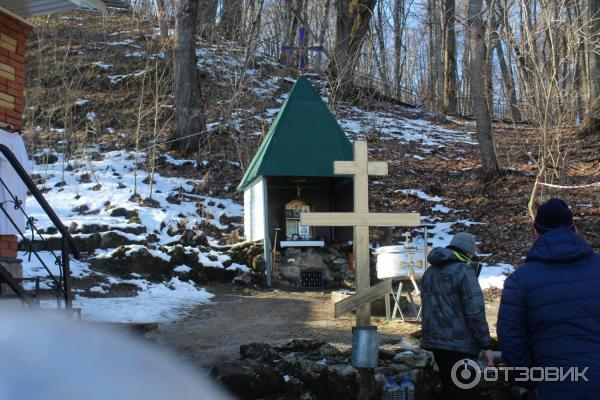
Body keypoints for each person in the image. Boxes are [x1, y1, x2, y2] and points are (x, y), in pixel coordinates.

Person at [498, 198, 600, 399]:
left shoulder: (519, 281)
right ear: (575, 229)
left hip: (556, 385)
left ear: (535, 232)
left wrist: (533, 380)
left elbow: (511, 342)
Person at [421, 232, 494, 399]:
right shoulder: (464, 270)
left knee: (448, 388)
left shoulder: (430, 272)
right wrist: (486, 345)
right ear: (468, 252)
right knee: (464, 391)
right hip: (460, 345)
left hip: (435, 343)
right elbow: (475, 311)